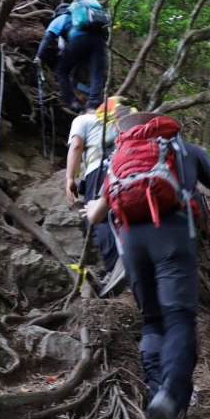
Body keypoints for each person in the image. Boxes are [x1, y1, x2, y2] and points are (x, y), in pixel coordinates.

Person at [82, 108, 210, 419]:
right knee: (179, 319)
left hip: (133, 246)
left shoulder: (118, 158)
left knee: (152, 321)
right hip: (173, 237)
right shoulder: (188, 150)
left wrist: (90, 206)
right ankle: (170, 397)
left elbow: (96, 214)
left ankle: (161, 407)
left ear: (128, 133)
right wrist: (198, 186)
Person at [65, 97, 129, 297]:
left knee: (96, 218)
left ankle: (115, 267)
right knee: (119, 215)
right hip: (128, 170)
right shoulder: (120, 123)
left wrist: (70, 178)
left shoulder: (82, 120)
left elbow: (76, 145)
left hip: (101, 169)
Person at [34, 0, 108, 111]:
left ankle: (72, 102)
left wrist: (39, 56)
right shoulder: (87, 19)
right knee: (96, 73)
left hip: (78, 40)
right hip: (99, 41)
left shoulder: (61, 18)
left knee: (62, 71)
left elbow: (48, 37)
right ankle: (92, 105)